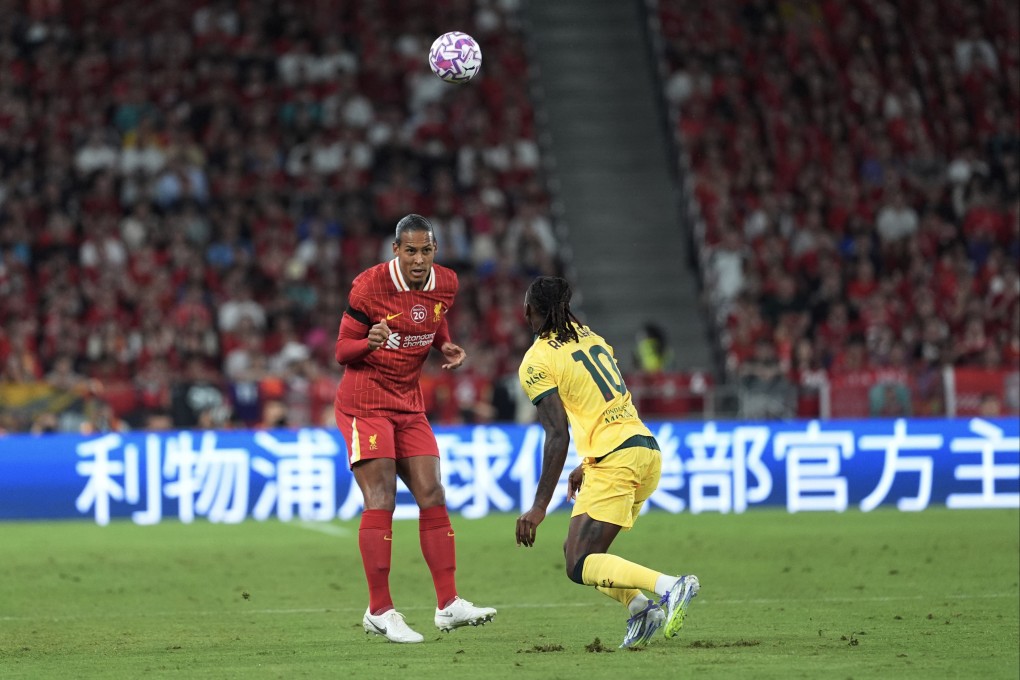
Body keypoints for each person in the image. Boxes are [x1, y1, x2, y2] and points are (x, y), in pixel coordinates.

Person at [334, 214, 496, 644]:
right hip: (365, 404)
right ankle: (379, 610)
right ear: (396, 251)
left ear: (435, 251)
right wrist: (367, 341)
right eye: (411, 251)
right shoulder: (369, 286)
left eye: (426, 250)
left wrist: (443, 341)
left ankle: (448, 604)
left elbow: (433, 314)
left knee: (432, 493)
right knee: (382, 497)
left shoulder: (447, 283)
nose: (419, 259)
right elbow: (341, 351)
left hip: (408, 403)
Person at [515, 276, 700, 649]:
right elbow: (602, 403)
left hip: (617, 459)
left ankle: (669, 586)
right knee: (578, 553)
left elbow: (556, 435)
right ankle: (641, 610)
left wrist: (538, 507)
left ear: (532, 312)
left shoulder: (536, 360)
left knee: (579, 563)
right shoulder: (592, 338)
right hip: (643, 448)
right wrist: (586, 463)